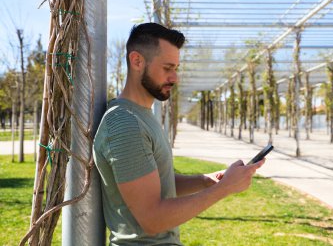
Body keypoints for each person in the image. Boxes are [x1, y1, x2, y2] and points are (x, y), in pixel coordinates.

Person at [93, 22, 265, 246]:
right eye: (167, 68)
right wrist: (224, 189)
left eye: (176, 68)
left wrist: (206, 181)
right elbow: (152, 219)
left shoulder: (140, 116)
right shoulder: (125, 123)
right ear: (137, 61)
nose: (175, 78)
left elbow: (153, 182)